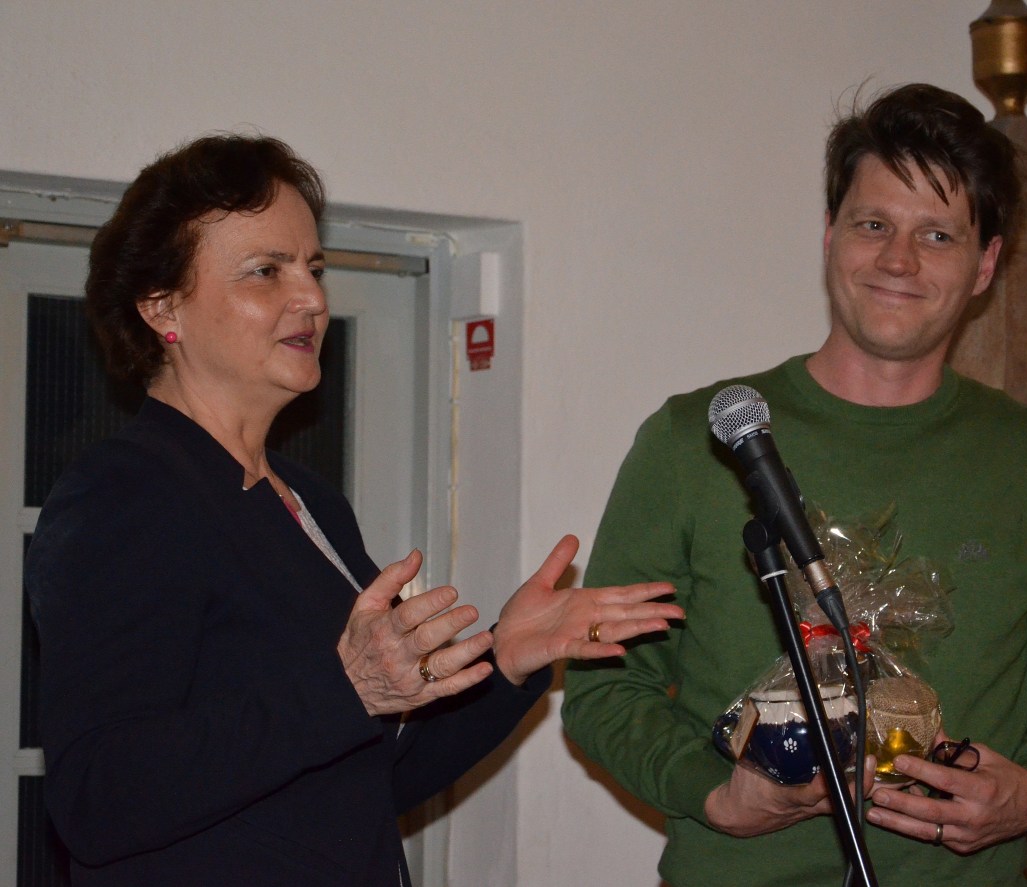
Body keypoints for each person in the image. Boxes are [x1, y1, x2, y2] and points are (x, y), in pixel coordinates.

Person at [24, 133, 682, 887]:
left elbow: (367, 784)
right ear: (161, 306)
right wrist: (346, 690)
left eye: (313, 267)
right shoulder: (124, 495)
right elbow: (98, 796)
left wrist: (507, 660)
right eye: (266, 270)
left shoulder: (312, 504)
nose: (311, 298)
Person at [561, 83, 1027, 886]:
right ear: (831, 236)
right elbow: (604, 687)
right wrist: (714, 795)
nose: (899, 259)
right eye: (874, 225)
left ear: (985, 265)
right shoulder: (694, 443)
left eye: (938, 234)